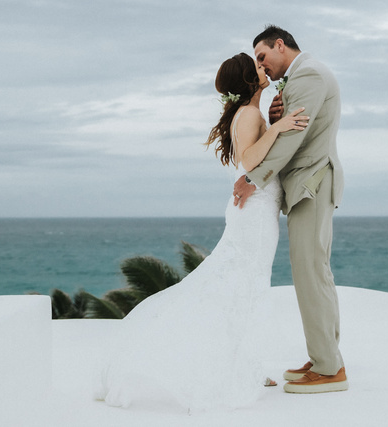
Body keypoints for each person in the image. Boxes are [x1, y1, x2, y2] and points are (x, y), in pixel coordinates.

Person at [98, 52, 308, 411]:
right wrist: (277, 127)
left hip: (257, 215)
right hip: (253, 218)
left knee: (247, 288)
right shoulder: (248, 114)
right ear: (248, 80)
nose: (264, 68)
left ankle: (247, 363)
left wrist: (274, 121)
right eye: (258, 66)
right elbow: (248, 162)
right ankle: (240, 366)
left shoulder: (251, 113)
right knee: (246, 288)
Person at [233, 25, 347, 394]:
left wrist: (253, 178)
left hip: (311, 184)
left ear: (280, 44)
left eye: (263, 56)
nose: (262, 67)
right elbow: (290, 128)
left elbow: (293, 136)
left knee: (311, 272)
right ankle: (324, 359)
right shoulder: (301, 77)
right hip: (308, 185)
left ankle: (329, 369)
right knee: (315, 271)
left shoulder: (310, 74)